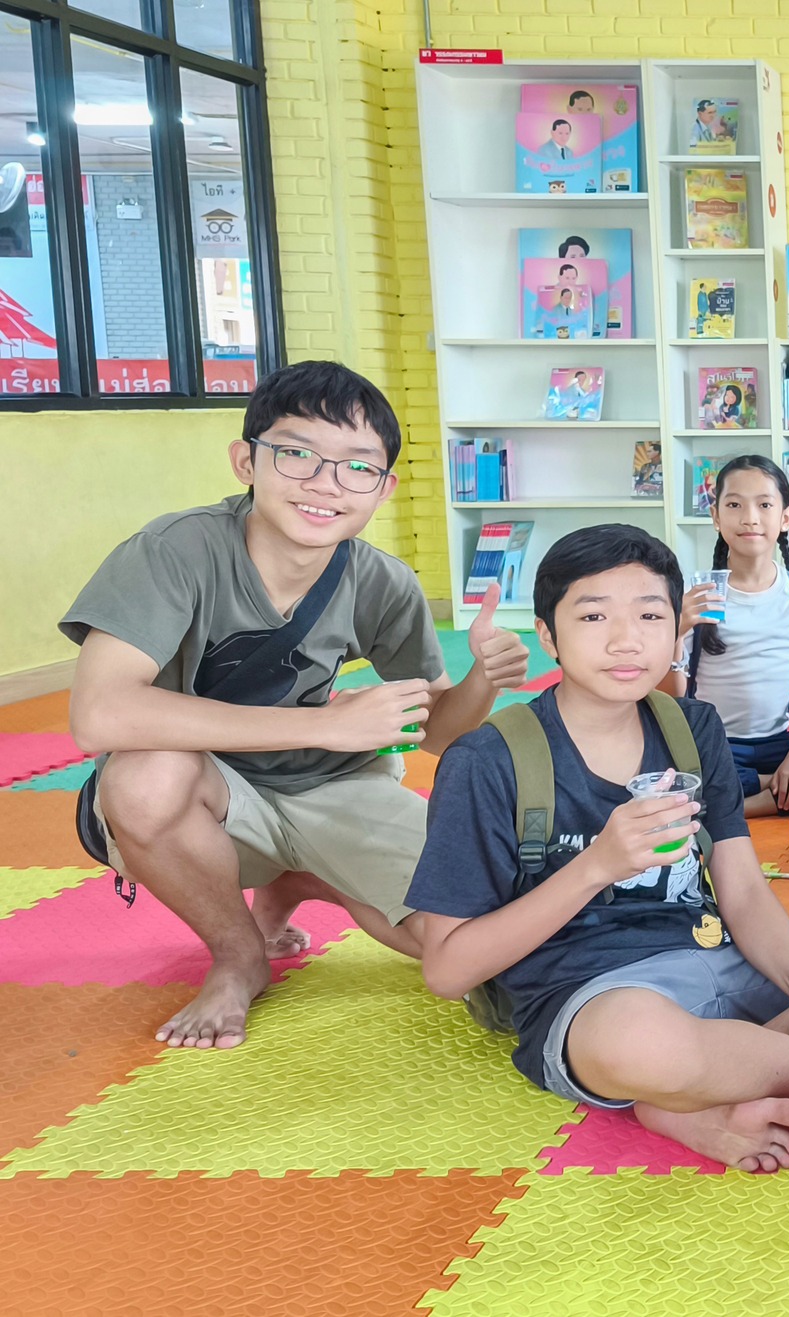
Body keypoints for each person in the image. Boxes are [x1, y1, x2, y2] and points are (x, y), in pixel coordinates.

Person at [406, 524, 789, 1174]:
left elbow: (742, 889)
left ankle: (702, 1091)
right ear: (547, 635)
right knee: (641, 1046)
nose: (626, 640)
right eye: (593, 616)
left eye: (650, 615)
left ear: (676, 628)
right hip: (598, 997)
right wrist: (597, 866)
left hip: (723, 955)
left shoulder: (691, 727)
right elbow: (446, 970)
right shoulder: (486, 761)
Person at [61, 361, 531, 1049]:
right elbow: (98, 715)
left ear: (384, 487)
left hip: (333, 787)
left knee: (471, 954)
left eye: (357, 466)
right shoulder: (172, 552)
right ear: (245, 461)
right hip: (210, 803)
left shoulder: (383, 582)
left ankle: (308, 875)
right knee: (145, 774)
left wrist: (483, 680)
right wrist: (326, 723)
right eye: (297, 454)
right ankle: (238, 955)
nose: (325, 483)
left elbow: (436, 734)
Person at [663, 456, 789, 817]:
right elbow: (673, 700)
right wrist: (677, 630)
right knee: (676, 764)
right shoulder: (697, 593)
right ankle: (777, 793)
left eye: (764, 505)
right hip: (714, 742)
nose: (750, 518)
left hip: (780, 743)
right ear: (716, 516)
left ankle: (735, 800)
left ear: (786, 517)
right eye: (734, 505)